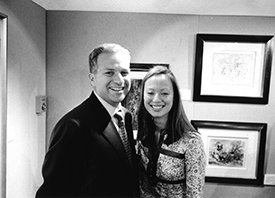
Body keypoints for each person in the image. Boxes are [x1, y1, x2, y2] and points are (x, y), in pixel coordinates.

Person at [36, 43, 139, 197]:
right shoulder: (73, 126)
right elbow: (53, 191)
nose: (119, 80)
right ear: (92, 79)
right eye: (109, 72)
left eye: (124, 73)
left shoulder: (126, 116)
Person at [136, 66, 206, 197]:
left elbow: (194, 194)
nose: (156, 99)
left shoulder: (191, 141)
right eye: (150, 93)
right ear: (143, 96)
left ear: (174, 97)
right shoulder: (143, 132)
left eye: (164, 93)